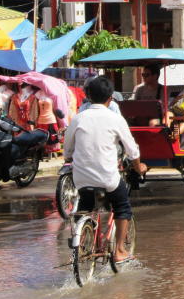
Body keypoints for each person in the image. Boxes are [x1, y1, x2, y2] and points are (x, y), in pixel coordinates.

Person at [63, 76, 147, 265]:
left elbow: (67, 149)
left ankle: (83, 239)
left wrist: (69, 157)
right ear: (111, 98)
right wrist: (138, 167)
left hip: (82, 178)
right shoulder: (115, 119)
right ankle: (119, 250)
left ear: (88, 96)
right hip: (108, 178)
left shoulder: (78, 118)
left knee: (85, 206)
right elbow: (132, 150)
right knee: (122, 206)